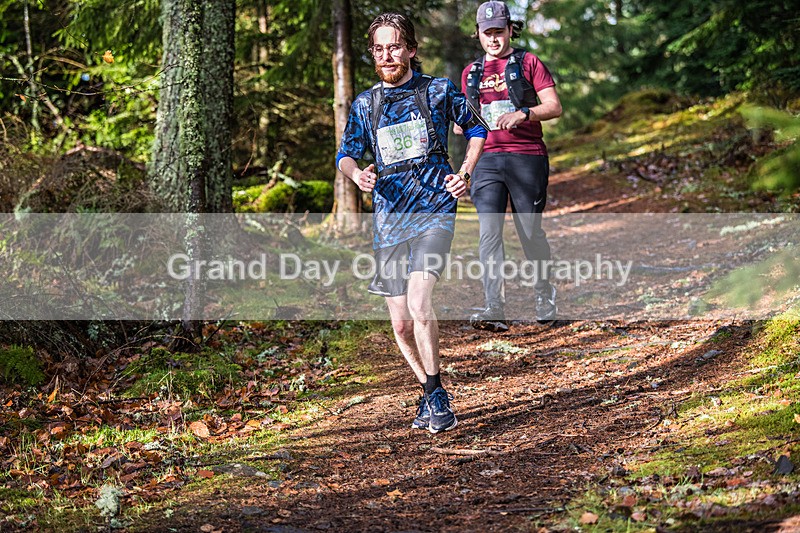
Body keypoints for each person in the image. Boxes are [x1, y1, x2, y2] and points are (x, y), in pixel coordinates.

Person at [336, 13, 488, 433]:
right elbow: (345, 154)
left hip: (434, 210)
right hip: (388, 220)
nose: (388, 55)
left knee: (420, 304)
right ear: (374, 54)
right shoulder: (366, 104)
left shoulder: (437, 90)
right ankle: (427, 389)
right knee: (400, 322)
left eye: (395, 46)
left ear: (411, 50)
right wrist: (357, 175)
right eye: (380, 48)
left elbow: (478, 128)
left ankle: (437, 393)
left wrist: (465, 173)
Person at [458, 1, 562, 332]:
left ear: (509, 30)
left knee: (529, 232)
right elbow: (464, 122)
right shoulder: (471, 72)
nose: (493, 39)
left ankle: (544, 292)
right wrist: (463, 123)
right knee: (489, 231)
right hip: (486, 159)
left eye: (498, 32)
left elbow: (554, 106)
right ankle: (494, 307)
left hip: (526, 155)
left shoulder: (529, 62)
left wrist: (525, 113)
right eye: (487, 33)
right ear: (478, 34)